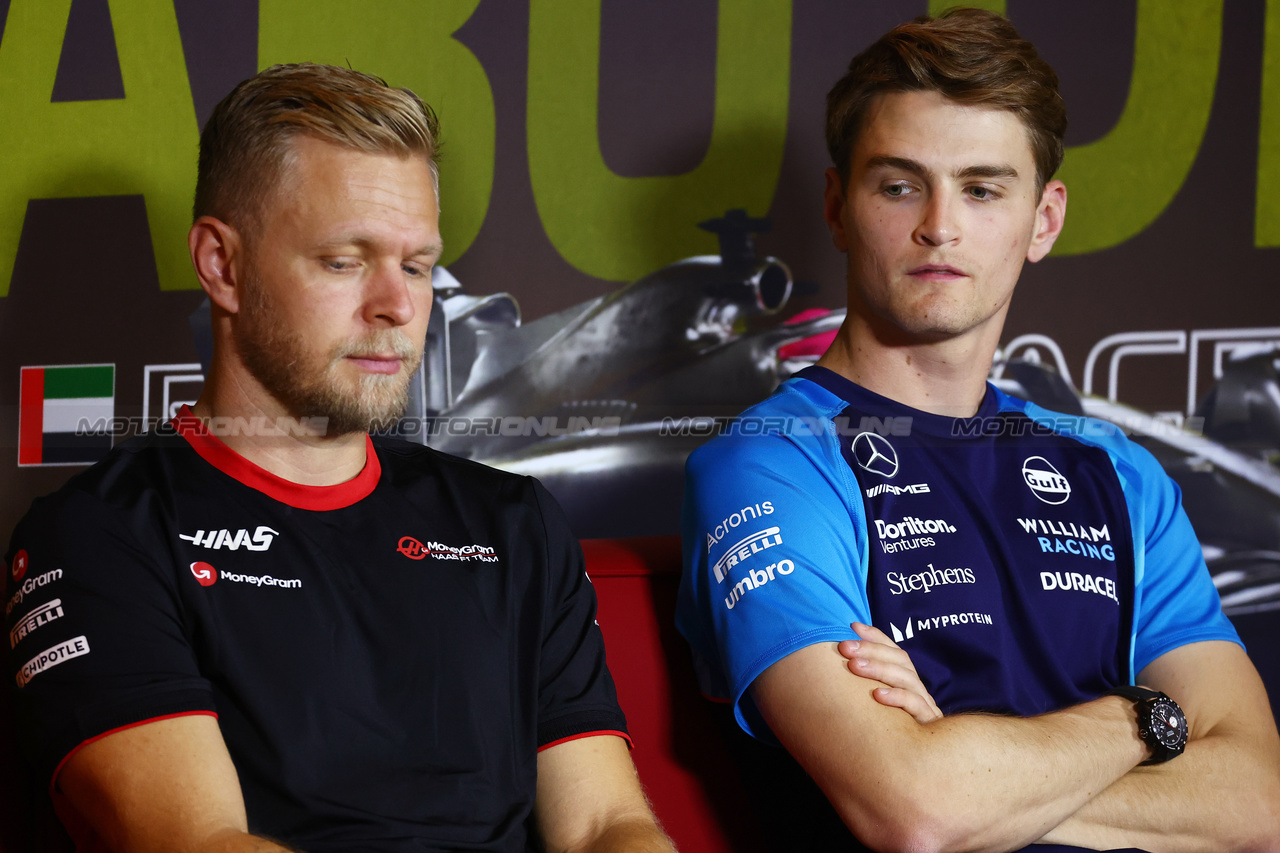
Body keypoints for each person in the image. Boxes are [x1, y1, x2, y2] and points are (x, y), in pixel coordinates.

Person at [5, 63, 675, 853]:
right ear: (222, 265)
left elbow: (604, 822)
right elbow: (200, 840)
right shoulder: (100, 536)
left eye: (417, 265)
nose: (397, 305)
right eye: (344, 260)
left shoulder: (512, 520)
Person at [676, 8, 1280, 852]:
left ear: (1044, 219)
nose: (940, 226)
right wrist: (1148, 717)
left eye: (984, 188)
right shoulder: (772, 462)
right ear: (837, 206)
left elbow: (1259, 799)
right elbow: (916, 809)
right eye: (898, 184)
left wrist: (970, 767)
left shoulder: (1119, 472)